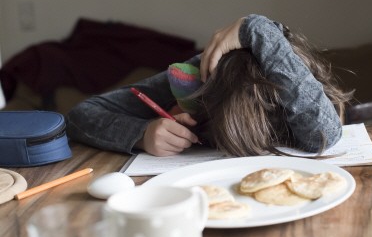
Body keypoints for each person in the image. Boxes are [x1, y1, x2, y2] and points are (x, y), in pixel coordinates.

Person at [66, 14, 351, 157]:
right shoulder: (200, 76)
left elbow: (322, 134)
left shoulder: (286, 66)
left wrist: (257, 27)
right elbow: (82, 115)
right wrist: (141, 134)